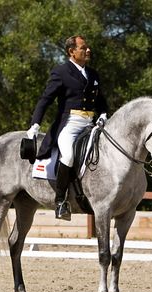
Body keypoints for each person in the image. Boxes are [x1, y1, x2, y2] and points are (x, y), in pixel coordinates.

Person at [26, 35, 108, 220]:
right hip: (70, 124)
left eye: (87, 47)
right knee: (69, 155)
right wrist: (35, 124)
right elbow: (45, 100)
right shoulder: (61, 72)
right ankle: (61, 201)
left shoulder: (93, 74)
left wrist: (103, 114)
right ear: (72, 51)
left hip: (91, 124)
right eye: (83, 48)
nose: (88, 50)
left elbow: (101, 101)